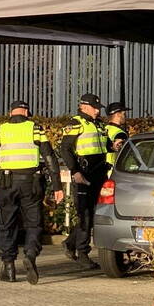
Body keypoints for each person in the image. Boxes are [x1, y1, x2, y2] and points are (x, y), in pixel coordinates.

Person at [0, 100, 64, 285]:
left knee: (7, 224)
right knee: (34, 224)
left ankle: (9, 267)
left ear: (10, 113)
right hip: (31, 182)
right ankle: (31, 255)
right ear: (27, 112)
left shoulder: (0, 131)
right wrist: (57, 186)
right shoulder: (35, 129)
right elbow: (50, 158)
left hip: (6, 183)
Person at [59, 93, 110, 270]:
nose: (98, 110)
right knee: (85, 214)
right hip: (84, 175)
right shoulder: (75, 123)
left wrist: (115, 144)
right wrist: (75, 172)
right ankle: (82, 252)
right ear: (85, 107)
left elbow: (105, 145)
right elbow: (64, 149)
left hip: (99, 174)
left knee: (94, 214)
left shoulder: (98, 124)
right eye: (95, 107)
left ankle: (70, 243)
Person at [103, 102, 132, 171]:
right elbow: (125, 155)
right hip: (113, 170)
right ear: (118, 114)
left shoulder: (104, 129)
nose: (125, 116)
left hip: (103, 169)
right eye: (124, 114)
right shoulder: (120, 133)